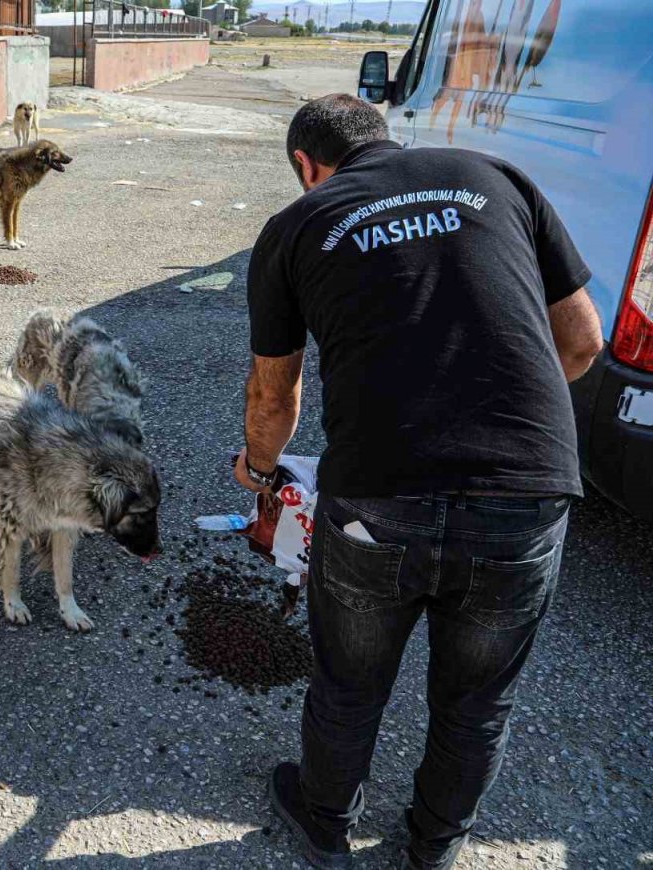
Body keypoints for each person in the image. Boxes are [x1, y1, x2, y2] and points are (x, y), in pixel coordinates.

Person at [235, 94, 603, 870]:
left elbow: (274, 393)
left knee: (349, 681)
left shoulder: (299, 224)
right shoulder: (494, 175)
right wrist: (506, 427)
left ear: (307, 166)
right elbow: (581, 340)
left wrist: (260, 470)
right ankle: (434, 847)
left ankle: (325, 816)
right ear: (385, 137)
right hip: (525, 495)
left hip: (378, 499)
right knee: (476, 702)